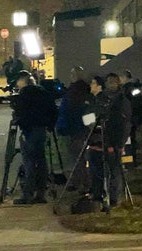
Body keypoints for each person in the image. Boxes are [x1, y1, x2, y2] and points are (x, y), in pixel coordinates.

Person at [86, 74, 131, 207]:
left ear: (118, 83)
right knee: (97, 171)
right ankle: (98, 195)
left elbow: (125, 124)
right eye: (109, 82)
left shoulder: (122, 101)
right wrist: (92, 125)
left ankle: (114, 200)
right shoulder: (101, 100)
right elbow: (89, 118)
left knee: (114, 171)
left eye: (114, 82)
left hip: (114, 143)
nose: (111, 84)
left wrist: (119, 144)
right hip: (97, 141)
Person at [13, 71, 58, 204]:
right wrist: (49, 126)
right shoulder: (43, 92)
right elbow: (54, 111)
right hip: (42, 130)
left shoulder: (24, 94)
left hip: (30, 131)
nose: (17, 84)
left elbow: (21, 114)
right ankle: (41, 193)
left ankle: (28, 194)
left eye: (18, 81)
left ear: (24, 81)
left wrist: (22, 126)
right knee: (42, 160)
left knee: (29, 162)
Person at [55, 66, 91, 191]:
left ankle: (84, 184)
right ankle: (79, 182)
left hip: (76, 129)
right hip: (78, 128)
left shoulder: (76, 91)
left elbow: (72, 112)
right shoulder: (81, 90)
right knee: (77, 158)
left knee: (78, 158)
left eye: (73, 74)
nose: (71, 76)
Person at [121, 70, 142, 166]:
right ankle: (130, 161)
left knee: (128, 141)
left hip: (129, 120)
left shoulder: (128, 89)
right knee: (130, 141)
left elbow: (134, 105)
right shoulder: (133, 89)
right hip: (132, 120)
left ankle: (129, 161)